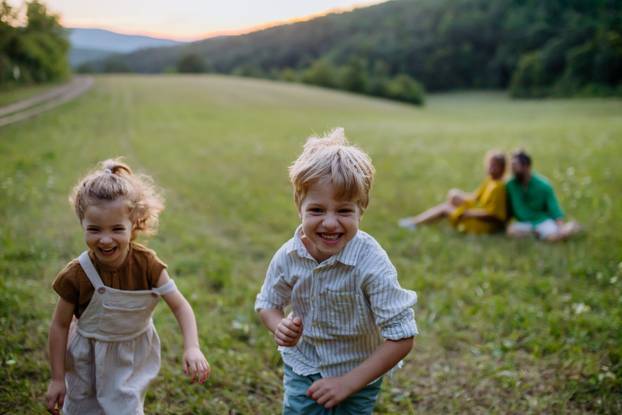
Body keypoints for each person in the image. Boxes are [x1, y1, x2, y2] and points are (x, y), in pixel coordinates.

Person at [255, 128, 418, 414]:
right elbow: (268, 304)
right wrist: (278, 325)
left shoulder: (371, 262)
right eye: (317, 210)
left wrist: (348, 383)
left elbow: (402, 337)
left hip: (358, 375)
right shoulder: (289, 256)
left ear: (361, 210)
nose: (330, 223)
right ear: (300, 208)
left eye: (343, 211)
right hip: (304, 367)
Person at [45, 159, 210, 415]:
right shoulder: (76, 274)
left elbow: (180, 306)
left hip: (129, 357)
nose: (105, 238)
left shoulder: (148, 265)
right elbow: (60, 325)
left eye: (117, 229)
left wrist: (192, 346)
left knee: (125, 408)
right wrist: (57, 378)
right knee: (82, 408)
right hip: (85, 357)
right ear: (82, 224)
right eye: (94, 229)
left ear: (134, 225)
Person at [398, 151, 508, 234]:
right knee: (452, 197)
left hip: (482, 225)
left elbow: (493, 215)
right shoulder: (490, 181)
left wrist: (467, 213)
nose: (490, 168)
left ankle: (415, 223)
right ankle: (415, 222)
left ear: (502, 169)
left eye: (494, 166)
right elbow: (476, 197)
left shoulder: (498, 187)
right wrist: (459, 197)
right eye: (490, 164)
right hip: (476, 214)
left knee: (445, 208)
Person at [506, 150, 581, 241]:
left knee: (555, 238)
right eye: (512, 167)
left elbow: (554, 209)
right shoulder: (510, 185)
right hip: (525, 223)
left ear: (527, 167)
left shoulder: (543, 185)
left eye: (515, 166)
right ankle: (537, 235)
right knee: (511, 231)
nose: (512, 170)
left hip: (542, 221)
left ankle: (570, 227)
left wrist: (561, 228)